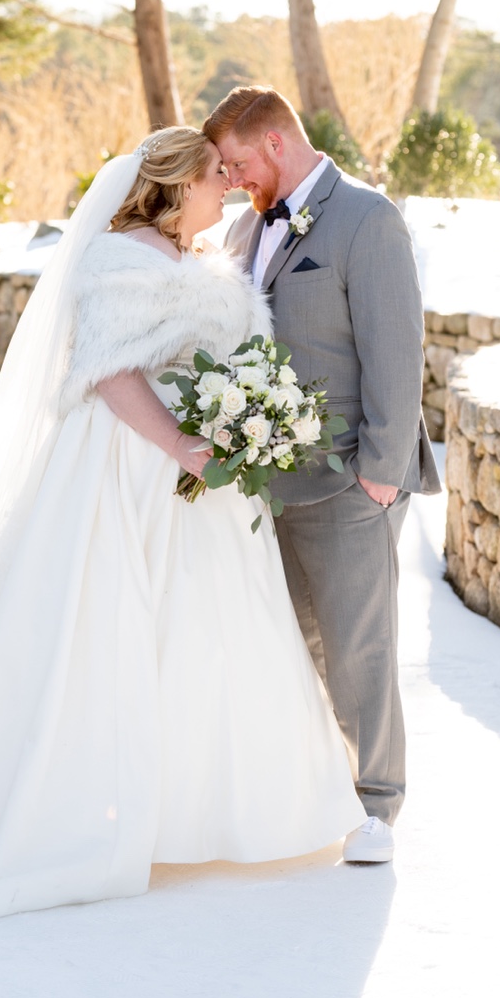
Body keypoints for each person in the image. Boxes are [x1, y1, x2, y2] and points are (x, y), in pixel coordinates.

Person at [0, 126, 364, 919]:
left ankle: (205, 809)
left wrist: (240, 422)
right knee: (106, 625)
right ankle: (98, 809)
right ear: (176, 184)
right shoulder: (116, 258)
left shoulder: (209, 261)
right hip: (125, 464)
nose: (225, 187)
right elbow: (112, 370)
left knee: (206, 632)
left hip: (207, 480)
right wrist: (182, 444)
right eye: (213, 176)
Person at [205, 85, 441, 865]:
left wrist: (381, 473)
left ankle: (378, 803)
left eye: (238, 162)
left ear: (274, 142)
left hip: (349, 481)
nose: (233, 179)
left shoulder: (367, 219)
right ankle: (319, 793)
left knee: (358, 646)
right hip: (271, 483)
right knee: (291, 643)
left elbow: (397, 351)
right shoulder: (245, 228)